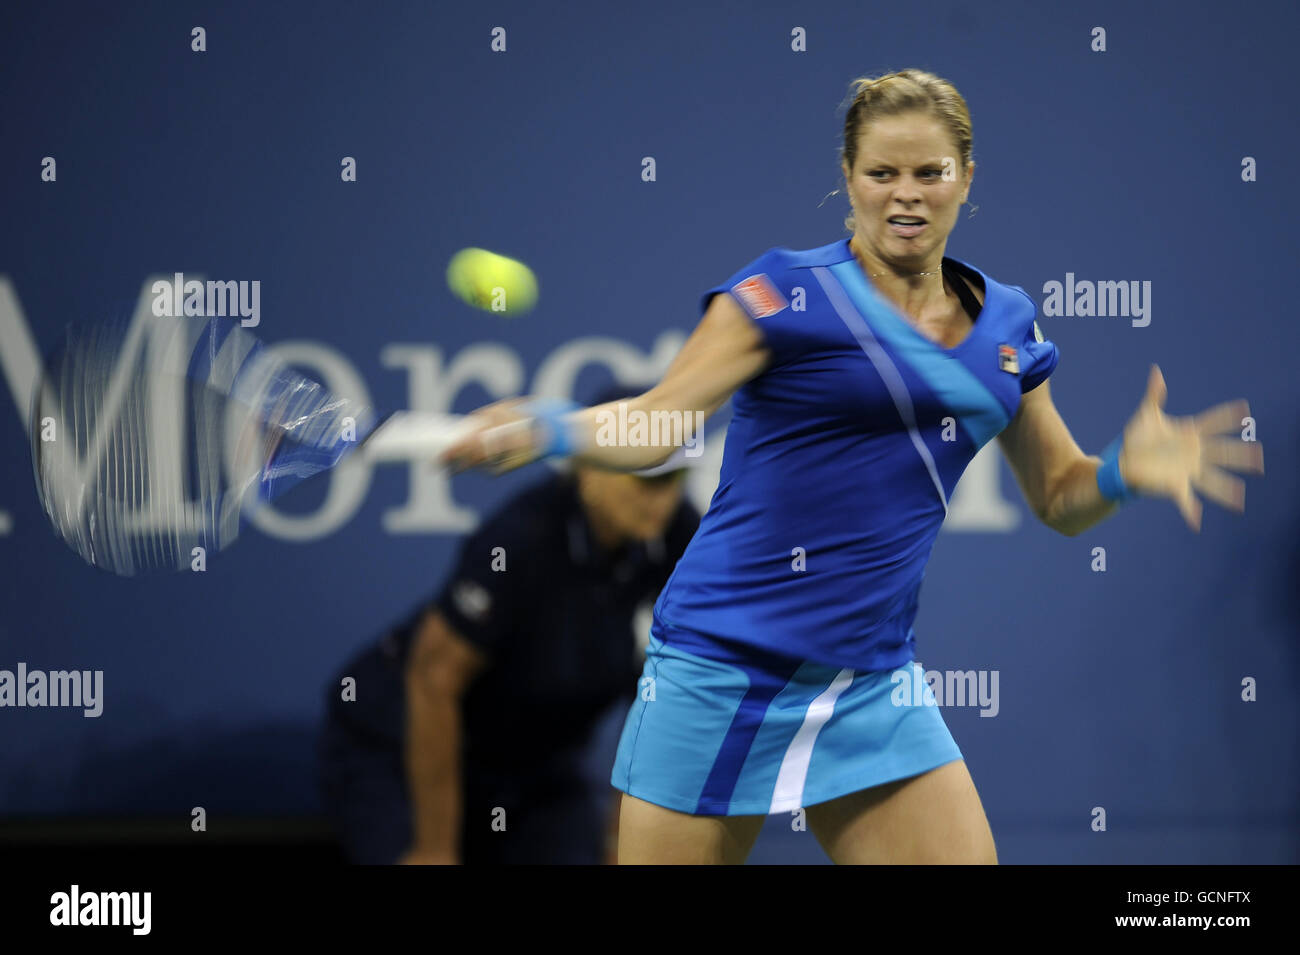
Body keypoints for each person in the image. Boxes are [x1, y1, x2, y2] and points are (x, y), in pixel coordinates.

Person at [442, 69, 1265, 865]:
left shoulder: (1009, 326)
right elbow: (663, 423)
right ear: (849, 178)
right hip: (719, 671)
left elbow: (1059, 495)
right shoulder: (781, 296)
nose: (905, 194)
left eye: (928, 173)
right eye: (881, 173)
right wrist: (549, 427)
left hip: (871, 683)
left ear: (967, 178)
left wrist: (1120, 470)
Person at [319, 386, 699, 864]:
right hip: (397, 751)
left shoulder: (682, 543)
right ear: (588, 471)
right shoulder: (519, 541)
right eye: (644, 478)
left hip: (538, 774)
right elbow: (432, 681)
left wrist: (620, 850)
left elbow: (654, 719)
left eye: (675, 477)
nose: (662, 498)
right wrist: (435, 848)